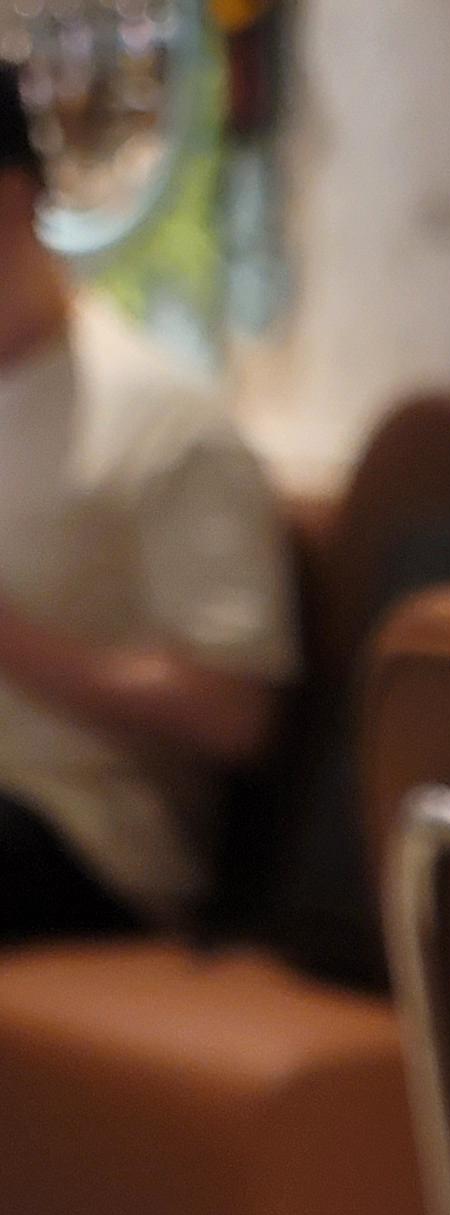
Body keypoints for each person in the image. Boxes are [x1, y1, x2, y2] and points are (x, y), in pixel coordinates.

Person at [0, 60, 295, 946]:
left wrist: (17, 644)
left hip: (93, 838)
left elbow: (236, 713)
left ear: (13, 199)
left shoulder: (165, 420)